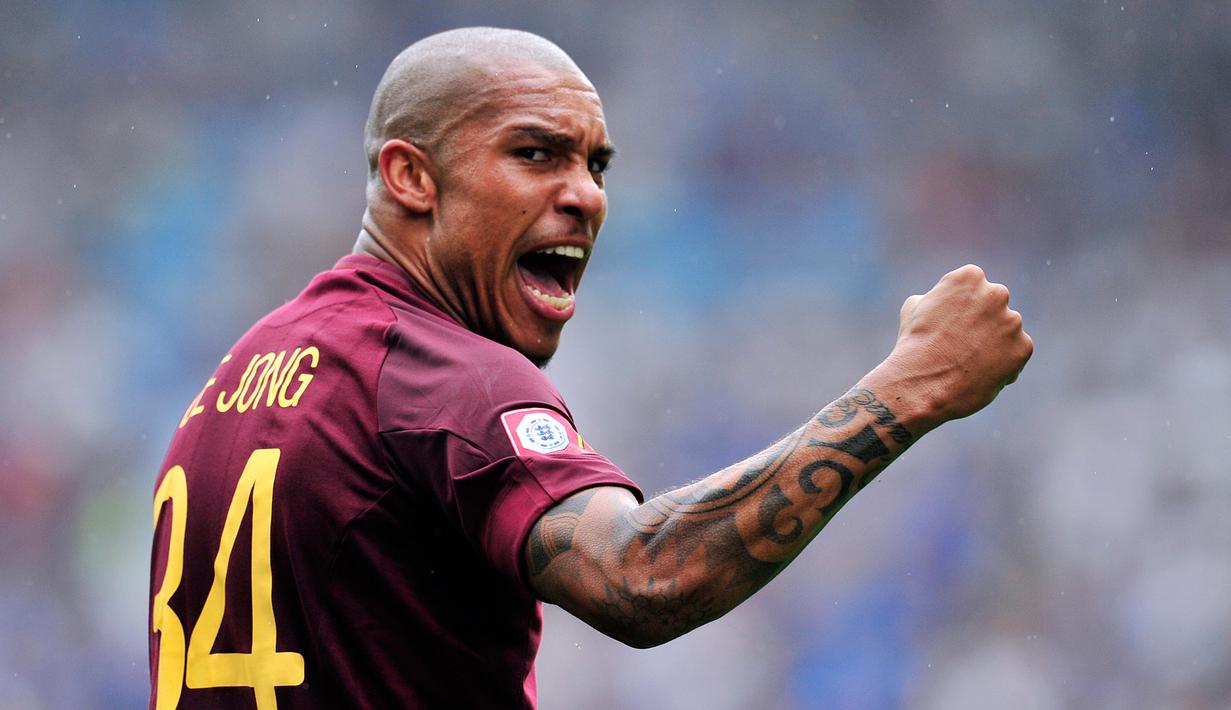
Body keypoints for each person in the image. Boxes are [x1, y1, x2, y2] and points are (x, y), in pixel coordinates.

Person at [148, 27, 1033, 710]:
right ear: (411, 177)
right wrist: (908, 389)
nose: (586, 195)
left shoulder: (237, 378)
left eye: (595, 164)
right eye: (534, 153)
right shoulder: (441, 375)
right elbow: (642, 576)